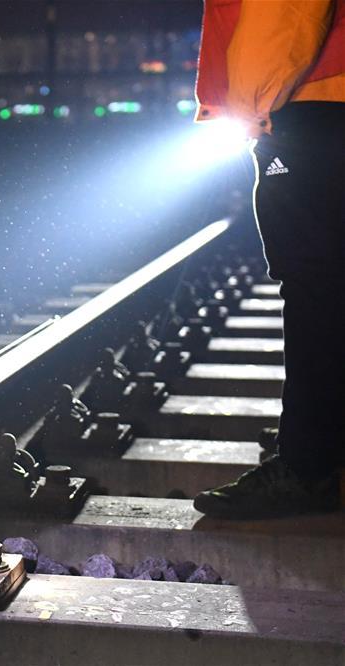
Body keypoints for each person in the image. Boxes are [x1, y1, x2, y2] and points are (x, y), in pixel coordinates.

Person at [191, 0, 345, 519]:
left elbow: (286, 8)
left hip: (315, 93)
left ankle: (309, 466)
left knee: (315, 282)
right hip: (323, 88)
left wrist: (252, 101)